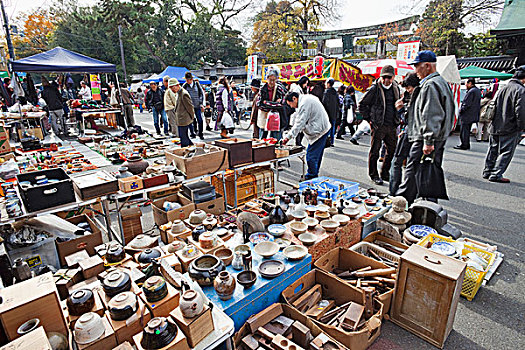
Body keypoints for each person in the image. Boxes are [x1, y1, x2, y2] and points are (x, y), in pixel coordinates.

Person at [396, 50, 455, 204]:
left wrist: (428, 140)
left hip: (425, 138)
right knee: (427, 173)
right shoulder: (441, 82)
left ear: (427, 66)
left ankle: (399, 206)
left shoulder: (430, 84)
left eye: (417, 66)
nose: (416, 71)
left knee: (412, 173)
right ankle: (428, 207)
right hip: (435, 137)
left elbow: (431, 114)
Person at [358, 65, 401, 185]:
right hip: (378, 125)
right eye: (384, 77)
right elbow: (361, 105)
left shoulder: (395, 87)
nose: (386, 80)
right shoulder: (374, 88)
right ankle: (373, 174)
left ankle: (385, 173)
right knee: (375, 151)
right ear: (381, 77)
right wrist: (370, 120)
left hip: (392, 124)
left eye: (389, 77)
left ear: (393, 77)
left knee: (392, 150)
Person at [482, 65, 525, 183]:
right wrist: (522, 128)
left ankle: (488, 171)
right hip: (509, 126)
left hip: (495, 124)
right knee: (506, 151)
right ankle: (496, 174)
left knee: (493, 149)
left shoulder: (503, 88)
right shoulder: (520, 90)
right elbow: (520, 112)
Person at [282, 92, 331, 180]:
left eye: (291, 104)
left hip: (319, 131)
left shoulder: (304, 103)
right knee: (316, 155)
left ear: (294, 98)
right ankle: (314, 174)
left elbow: (299, 123)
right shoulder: (305, 99)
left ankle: (311, 176)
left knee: (311, 156)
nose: (292, 107)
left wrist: (287, 138)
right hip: (321, 128)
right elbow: (298, 119)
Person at [389, 73, 420, 196]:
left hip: (411, 133)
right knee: (411, 165)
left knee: (397, 162)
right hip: (416, 133)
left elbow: (410, 119)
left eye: (408, 88)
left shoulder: (418, 95)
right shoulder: (425, 92)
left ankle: (394, 192)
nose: (407, 91)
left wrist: (400, 109)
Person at [257, 67, 287, 140]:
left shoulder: (280, 89)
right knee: (262, 138)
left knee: (276, 139)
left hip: (276, 117)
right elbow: (259, 104)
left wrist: (267, 103)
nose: (272, 82)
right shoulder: (262, 89)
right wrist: (274, 104)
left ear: (276, 79)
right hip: (264, 116)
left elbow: (283, 103)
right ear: (267, 79)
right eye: (270, 80)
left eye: (274, 80)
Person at [455, 78, 481, 150]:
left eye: (466, 83)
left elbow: (467, 104)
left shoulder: (471, 92)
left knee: (464, 131)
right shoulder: (477, 90)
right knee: (466, 131)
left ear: (470, 83)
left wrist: (461, 110)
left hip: (467, 115)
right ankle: (466, 144)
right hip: (473, 114)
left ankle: (464, 145)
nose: (465, 85)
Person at [172, 79, 195, 147]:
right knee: (184, 136)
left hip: (184, 119)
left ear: (177, 85)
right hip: (181, 119)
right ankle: (192, 147)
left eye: (172, 87)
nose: (172, 90)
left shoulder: (183, 94)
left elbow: (190, 107)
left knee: (183, 137)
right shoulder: (179, 93)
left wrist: (192, 117)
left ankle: (186, 151)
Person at [182, 72, 205, 139]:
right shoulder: (185, 86)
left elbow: (201, 94)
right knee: (190, 120)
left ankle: (200, 133)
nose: (187, 81)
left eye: (188, 80)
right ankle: (193, 133)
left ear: (191, 79)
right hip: (189, 106)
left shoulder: (197, 84)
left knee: (200, 120)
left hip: (197, 105)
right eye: (186, 80)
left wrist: (201, 103)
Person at [289, 76, 310, 145]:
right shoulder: (297, 89)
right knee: (298, 127)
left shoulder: (303, 89)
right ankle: (298, 143)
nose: (306, 85)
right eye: (306, 83)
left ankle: (299, 143)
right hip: (297, 111)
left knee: (301, 128)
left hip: (301, 110)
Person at [322, 78, 340, 147]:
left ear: (328, 84)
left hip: (327, 113)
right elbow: (338, 103)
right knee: (332, 128)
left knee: (327, 128)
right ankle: (331, 141)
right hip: (334, 113)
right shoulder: (335, 92)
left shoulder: (327, 92)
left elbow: (324, 103)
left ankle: (326, 141)